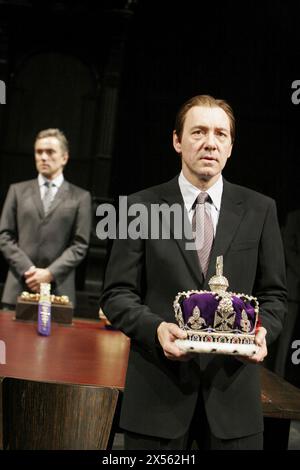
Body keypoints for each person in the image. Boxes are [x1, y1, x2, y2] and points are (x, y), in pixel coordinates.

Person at [101, 95, 287, 450]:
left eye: (220, 134)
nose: (210, 143)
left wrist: (263, 332)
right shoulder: (140, 207)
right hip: (157, 397)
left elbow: (275, 295)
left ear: (231, 146)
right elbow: (116, 294)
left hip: (234, 400)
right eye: (198, 131)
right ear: (176, 140)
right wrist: (156, 329)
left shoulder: (261, 210)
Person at [0, 128, 92, 307]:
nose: (43, 157)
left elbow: (80, 244)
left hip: (58, 290)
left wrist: (49, 273)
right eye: (39, 152)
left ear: (64, 157)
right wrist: (29, 271)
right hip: (19, 286)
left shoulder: (81, 197)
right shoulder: (17, 191)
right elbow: (4, 235)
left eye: (50, 152)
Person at [274, 209, 300, 386]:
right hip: (295, 288)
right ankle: (279, 379)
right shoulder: (295, 217)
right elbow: (287, 249)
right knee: (287, 338)